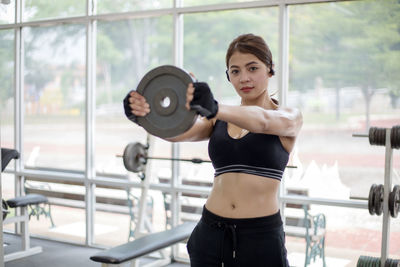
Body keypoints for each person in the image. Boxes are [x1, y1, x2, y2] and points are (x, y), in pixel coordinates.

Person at [123, 33, 302, 267]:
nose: (244, 78)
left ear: (270, 69)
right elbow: (178, 133)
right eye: (235, 71)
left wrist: (215, 107)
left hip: (260, 237)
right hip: (211, 232)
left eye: (252, 68)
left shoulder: (289, 118)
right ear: (228, 76)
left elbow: (263, 121)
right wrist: (143, 118)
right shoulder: (216, 120)